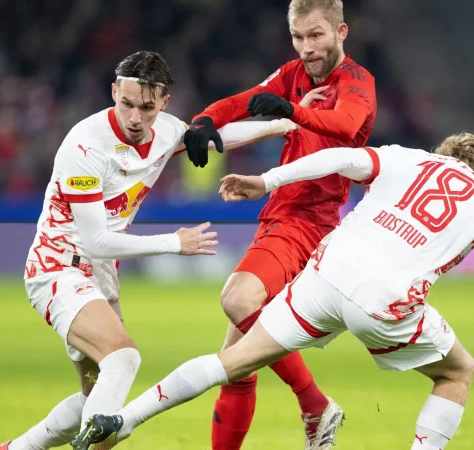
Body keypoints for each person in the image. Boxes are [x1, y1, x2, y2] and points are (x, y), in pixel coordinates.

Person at [73, 133, 474, 450]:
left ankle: (124, 418)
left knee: (234, 359)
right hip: (386, 299)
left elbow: (341, 159)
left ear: (446, 153)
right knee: (457, 372)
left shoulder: (409, 157)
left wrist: (267, 179)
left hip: (327, 271)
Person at [0, 50, 298, 450]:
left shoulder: (168, 130)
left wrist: (288, 122)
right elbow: (94, 240)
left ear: (164, 103)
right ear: (114, 91)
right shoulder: (84, 148)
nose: (135, 118)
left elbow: (217, 136)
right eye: (127, 104)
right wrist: (174, 243)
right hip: (58, 267)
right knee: (124, 358)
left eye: (147, 108)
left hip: (100, 275)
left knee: (94, 400)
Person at [182, 1, 376, 447]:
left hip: (308, 219)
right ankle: (312, 409)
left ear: (341, 31)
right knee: (235, 363)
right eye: (297, 37)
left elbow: (345, 126)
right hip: (281, 215)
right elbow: (241, 102)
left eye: (316, 36)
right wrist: (203, 121)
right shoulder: (293, 74)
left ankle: (315, 403)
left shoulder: (357, 83)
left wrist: (290, 112)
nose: (306, 48)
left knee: (236, 299)